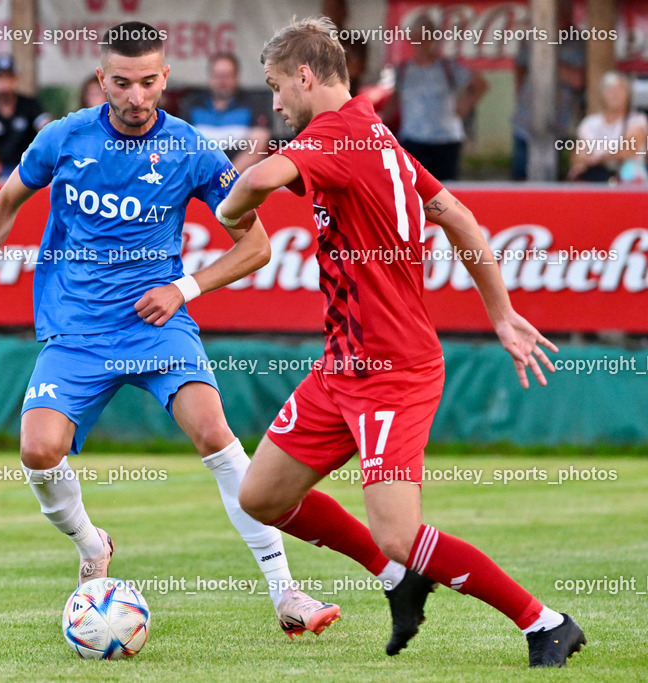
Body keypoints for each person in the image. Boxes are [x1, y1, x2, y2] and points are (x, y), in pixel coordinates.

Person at [0, 21, 341, 639]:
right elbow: (7, 199)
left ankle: (286, 592)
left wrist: (183, 289)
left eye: (148, 81)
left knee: (215, 434)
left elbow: (256, 247)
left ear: (165, 78)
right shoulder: (64, 137)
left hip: (156, 326)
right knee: (37, 451)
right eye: (122, 83)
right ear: (102, 79)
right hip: (77, 329)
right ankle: (93, 546)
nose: (136, 96)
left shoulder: (190, 150)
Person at [216, 17, 585, 668]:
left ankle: (546, 622)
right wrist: (500, 314)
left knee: (398, 532)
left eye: (275, 86)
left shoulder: (334, 135)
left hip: (393, 371)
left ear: (305, 76)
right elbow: (456, 215)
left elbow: (254, 182)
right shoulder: (373, 134)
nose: (274, 103)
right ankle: (399, 580)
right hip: (342, 368)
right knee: (262, 497)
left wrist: (229, 214)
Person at [384, 19, 487, 181]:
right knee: (413, 186)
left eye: (425, 37)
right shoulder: (403, 70)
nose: (421, 42)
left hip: (445, 140)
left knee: (445, 187)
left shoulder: (448, 67)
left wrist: (464, 106)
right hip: (413, 138)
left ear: (433, 39)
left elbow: (481, 84)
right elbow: (394, 100)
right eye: (416, 37)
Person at [511, 0, 585, 180]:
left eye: (564, 10)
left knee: (551, 178)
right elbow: (520, 68)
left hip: (559, 123)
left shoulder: (578, 42)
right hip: (525, 121)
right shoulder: (531, 37)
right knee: (519, 179)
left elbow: (579, 80)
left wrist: (547, 64)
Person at [182, 53, 272, 172]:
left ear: (237, 76)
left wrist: (228, 176)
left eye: (227, 76)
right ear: (210, 76)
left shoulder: (254, 104)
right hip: (201, 177)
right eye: (218, 75)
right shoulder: (192, 105)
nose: (222, 81)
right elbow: (183, 146)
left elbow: (257, 148)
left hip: (241, 178)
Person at [0, 55, 52, 177]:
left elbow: (47, 130)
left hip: (27, 169)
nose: (4, 84)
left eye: (8, 78)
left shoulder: (30, 105)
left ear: (16, 79)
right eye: (0, 78)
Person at [567, 71, 648, 183]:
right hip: (598, 179)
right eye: (610, 90)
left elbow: (628, 150)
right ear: (602, 94)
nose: (615, 95)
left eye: (619, 90)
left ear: (628, 94)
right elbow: (578, 155)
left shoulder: (637, 120)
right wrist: (587, 161)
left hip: (628, 182)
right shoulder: (590, 123)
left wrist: (597, 158)